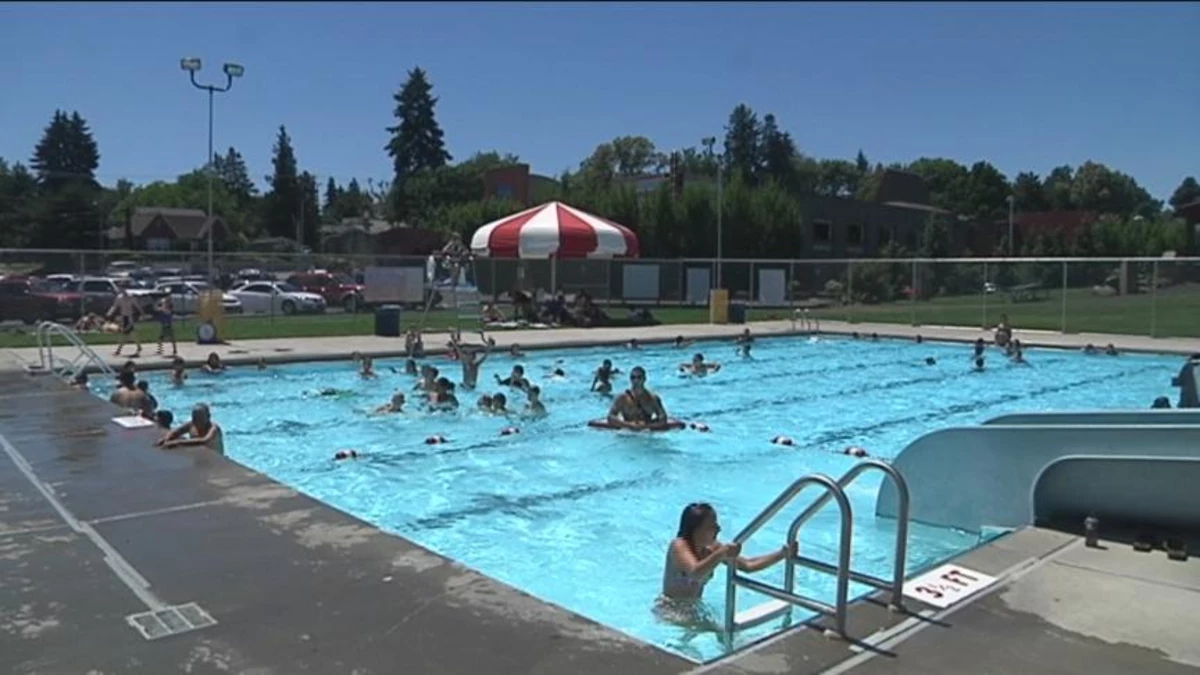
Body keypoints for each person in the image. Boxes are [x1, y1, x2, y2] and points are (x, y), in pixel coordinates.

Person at [660, 503, 796, 604]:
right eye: (712, 525)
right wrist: (721, 553)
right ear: (696, 529)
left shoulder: (712, 549)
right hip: (671, 610)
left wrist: (782, 554)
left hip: (693, 609)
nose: (718, 528)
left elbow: (748, 565)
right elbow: (695, 572)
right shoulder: (679, 545)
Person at [156, 403, 224, 454]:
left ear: (208, 417)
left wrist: (178, 443)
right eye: (194, 418)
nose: (197, 421)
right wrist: (166, 439)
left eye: (200, 418)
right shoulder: (191, 424)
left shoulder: (213, 428)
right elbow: (175, 432)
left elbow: (204, 441)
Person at [108, 288, 142, 357]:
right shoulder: (119, 298)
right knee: (131, 334)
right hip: (124, 317)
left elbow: (137, 305)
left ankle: (118, 351)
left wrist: (142, 313)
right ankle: (139, 347)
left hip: (129, 317)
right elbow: (115, 306)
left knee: (125, 334)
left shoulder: (130, 297)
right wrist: (110, 312)